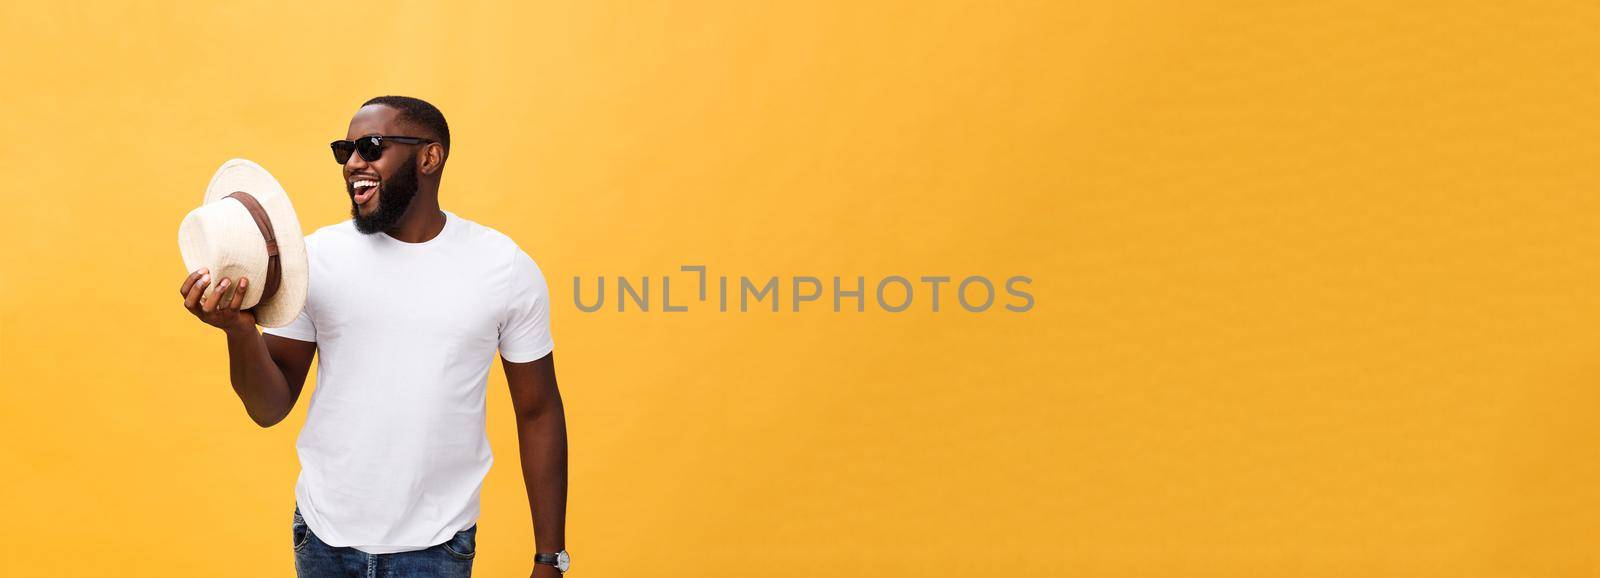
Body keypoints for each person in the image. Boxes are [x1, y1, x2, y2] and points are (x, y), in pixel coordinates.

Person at [178, 96, 571, 577]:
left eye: (371, 147)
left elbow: (538, 411)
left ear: (430, 157)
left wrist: (550, 557)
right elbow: (269, 406)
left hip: (438, 546)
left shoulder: (503, 268)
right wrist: (239, 333)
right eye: (346, 151)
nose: (354, 164)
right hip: (323, 539)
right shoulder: (315, 261)